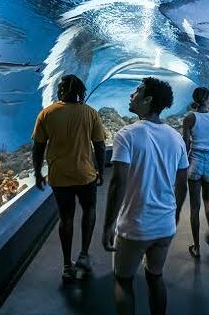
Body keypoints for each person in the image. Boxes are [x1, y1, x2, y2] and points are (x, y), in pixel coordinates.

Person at [102, 77, 189, 315]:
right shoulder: (176, 137)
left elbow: (118, 182)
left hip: (135, 226)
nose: (132, 95)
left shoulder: (126, 134)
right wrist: (176, 214)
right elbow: (182, 183)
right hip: (165, 225)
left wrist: (109, 225)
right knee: (155, 278)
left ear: (148, 100)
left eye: (137, 91)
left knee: (123, 281)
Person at [32, 74, 106, 282]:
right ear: (81, 91)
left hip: (59, 177)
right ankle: (84, 254)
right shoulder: (90, 113)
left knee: (66, 219)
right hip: (86, 175)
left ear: (60, 91)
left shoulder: (47, 114)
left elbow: (38, 147)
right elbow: (99, 145)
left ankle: (66, 265)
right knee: (89, 210)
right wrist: (100, 170)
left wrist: (38, 173)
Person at [176, 87, 209, 259]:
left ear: (195, 99)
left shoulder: (189, 118)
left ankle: (196, 247)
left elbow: (186, 144)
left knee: (195, 207)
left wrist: (181, 166)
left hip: (195, 163)